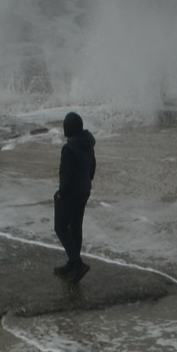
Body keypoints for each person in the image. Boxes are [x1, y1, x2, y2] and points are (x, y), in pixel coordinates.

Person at [53, 110, 96, 277]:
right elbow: (92, 167)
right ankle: (72, 263)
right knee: (75, 226)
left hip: (71, 193)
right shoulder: (88, 144)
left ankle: (77, 263)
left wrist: (61, 193)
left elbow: (66, 174)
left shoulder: (68, 148)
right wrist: (86, 182)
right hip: (84, 190)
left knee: (61, 227)